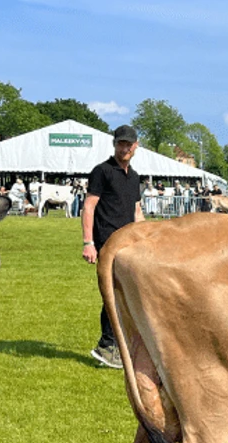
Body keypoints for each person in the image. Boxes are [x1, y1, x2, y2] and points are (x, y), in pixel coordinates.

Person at [82, 125, 145, 367]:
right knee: (115, 292)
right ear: (114, 144)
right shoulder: (102, 171)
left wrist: (148, 238)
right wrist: (89, 242)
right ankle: (107, 346)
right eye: (121, 143)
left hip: (130, 243)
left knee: (128, 293)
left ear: (136, 146)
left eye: (129, 144)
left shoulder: (135, 177)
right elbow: (89, 206)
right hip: (108, 241)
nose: (125, 148)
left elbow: (137, 211)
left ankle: (119, 344)